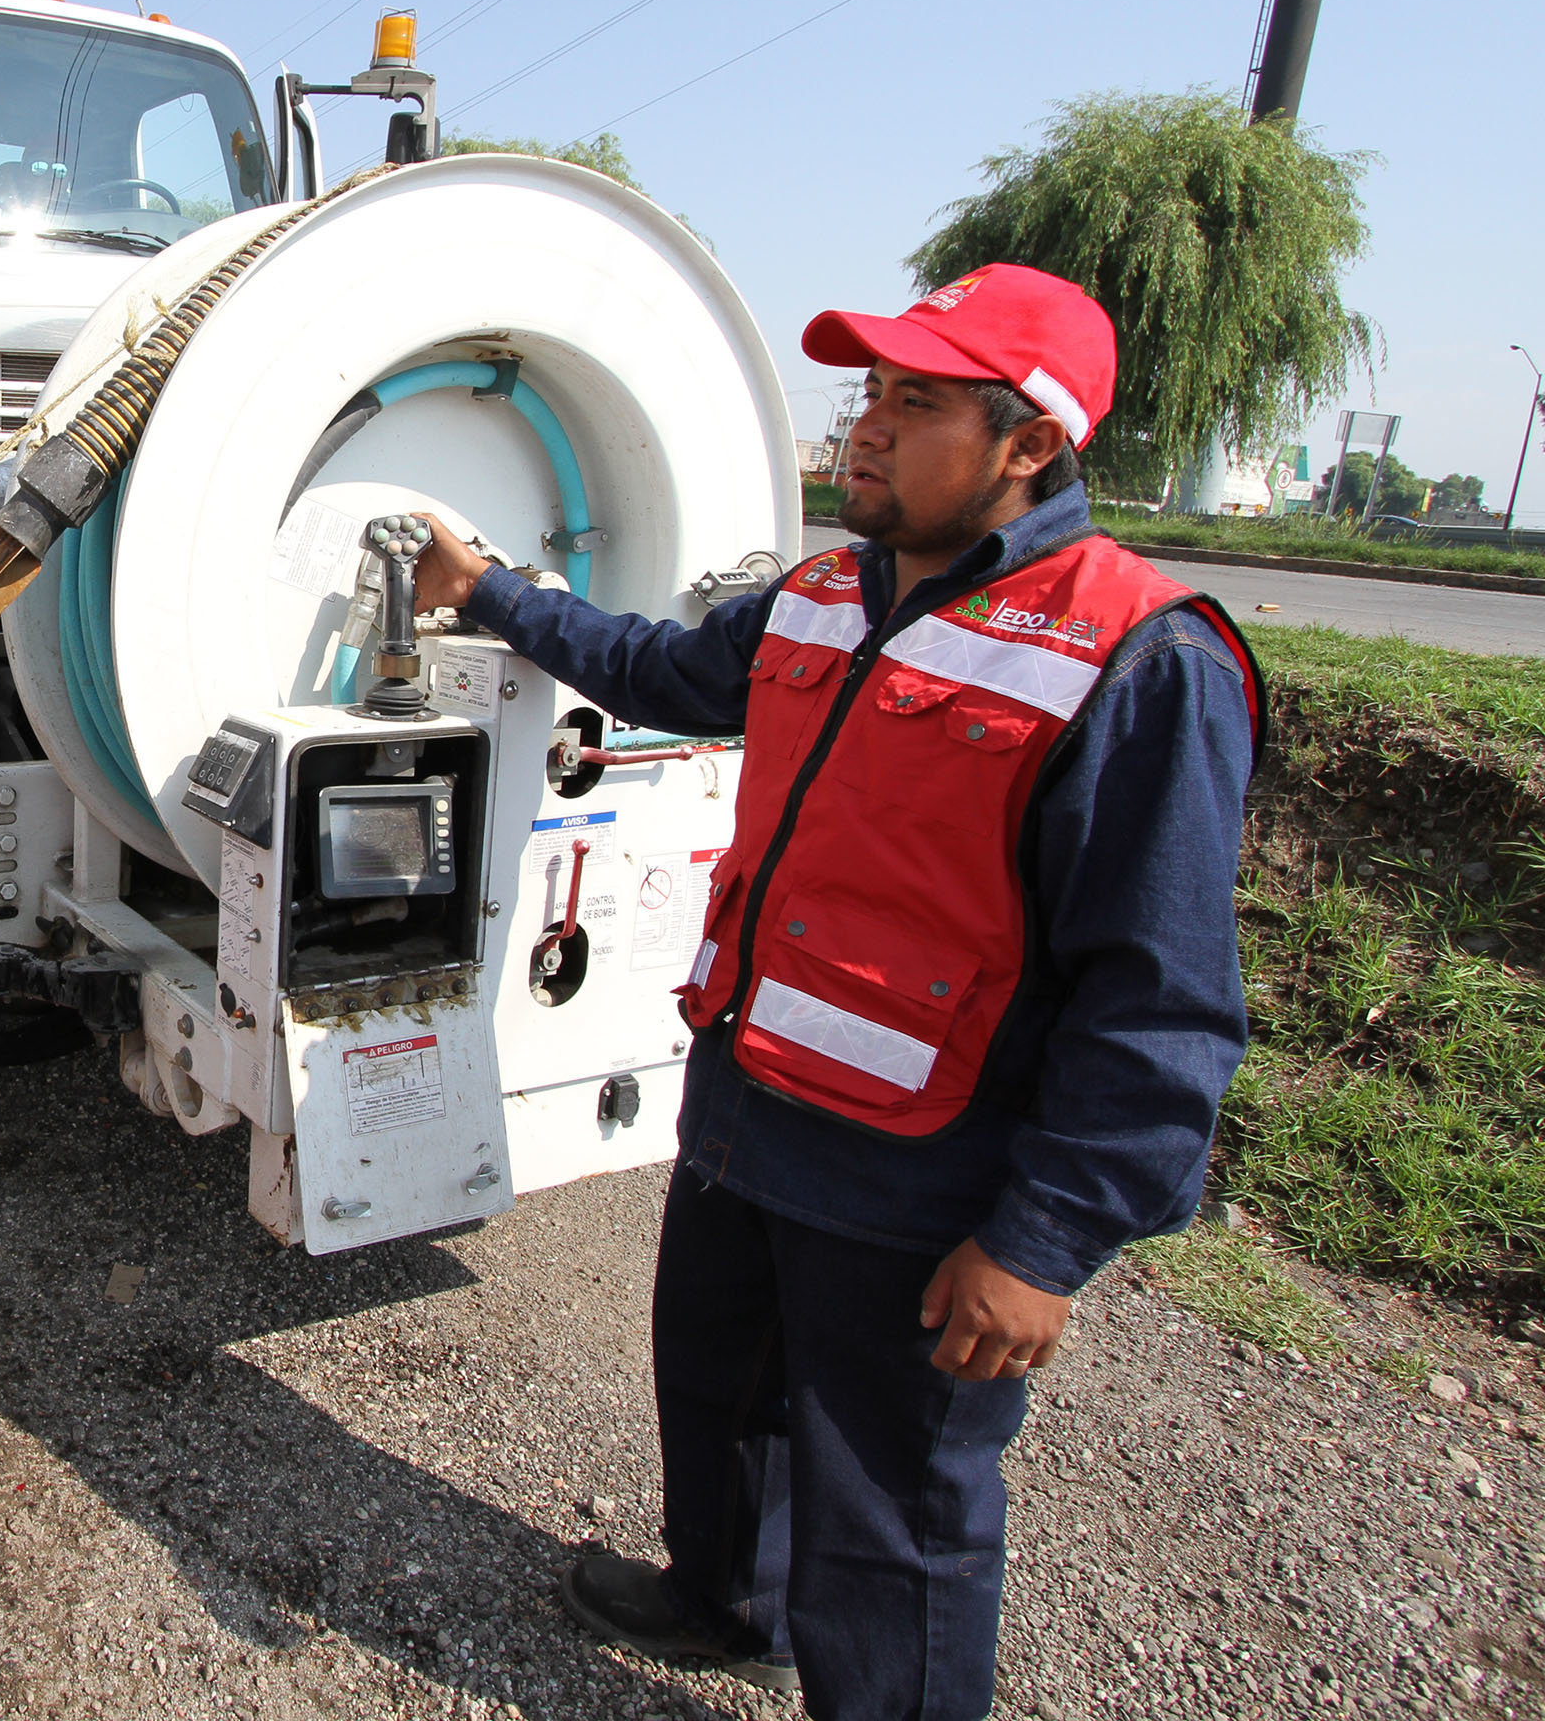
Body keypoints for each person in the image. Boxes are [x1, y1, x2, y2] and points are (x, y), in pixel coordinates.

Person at [410, 265, 1262, 1716]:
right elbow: (658, 670)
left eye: (916, 403)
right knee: (720, 1389)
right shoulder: (823, 595)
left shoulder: (1138, 657)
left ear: (1028, 443)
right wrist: (491, 592)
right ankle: (728, 1601)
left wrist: (1042, 1245)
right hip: (749, 1111)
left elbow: (1160, 1003)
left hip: (920, 1170)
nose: (864, 428)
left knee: (893, 1510)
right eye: (869, 393)